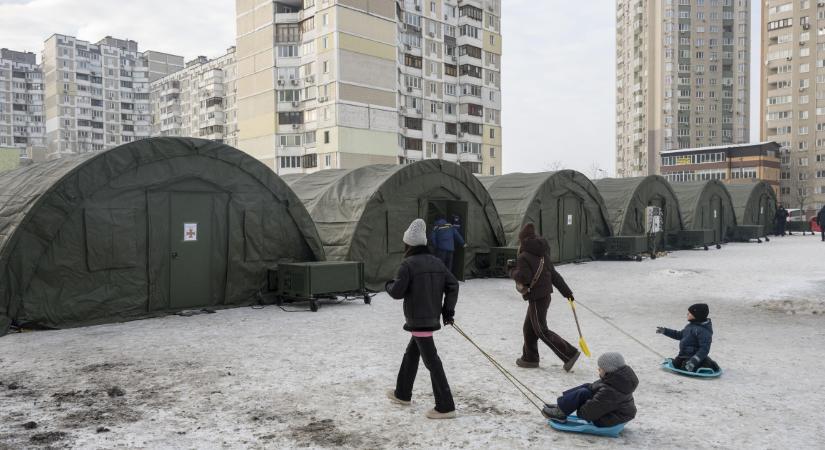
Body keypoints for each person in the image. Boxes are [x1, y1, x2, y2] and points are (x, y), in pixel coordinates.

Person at [386, 218, 459, 419]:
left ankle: (446, 406)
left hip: (418, 319)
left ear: (408, 244)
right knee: (412, 353)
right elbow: (453, 285)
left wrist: (388, 285)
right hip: (429, 318)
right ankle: (402, 393)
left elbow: (397, 292)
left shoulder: (407, 265)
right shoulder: (437, 262)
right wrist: (447, 311)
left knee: (432, 361)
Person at [509, 223, 581, 372]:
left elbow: (525, 278)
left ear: (522, 240)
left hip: (537, 297)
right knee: (529, 328)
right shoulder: (542, 254)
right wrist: (567, 292)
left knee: (540, 330)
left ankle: (569, 354)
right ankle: (530, 359)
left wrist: (511, 270)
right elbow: (554, 275)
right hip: (545, 296)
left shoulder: (523, 257)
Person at [542, 352, 638, 427]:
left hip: (610, 419)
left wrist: (579, 404)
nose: (598, 370)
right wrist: (569, 403)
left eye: (600, 368)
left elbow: (586, 414)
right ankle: (562, 407)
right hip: (612, 411)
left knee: (583, 393)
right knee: (586, 387)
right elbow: (592, 387)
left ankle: (561, 412)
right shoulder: (616, 380)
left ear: (609, 370)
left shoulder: (610, 391)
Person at [656, 303, 719, 372]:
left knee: (685, 368)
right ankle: (687, 363)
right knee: (675, 365)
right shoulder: (690, 326)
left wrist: (694, 360)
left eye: (690, 313)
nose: (687, 314)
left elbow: (704, 349)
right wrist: (665, 331)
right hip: (683, 355)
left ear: (697, 315)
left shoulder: (704, 331)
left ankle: (710, 364)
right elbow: (679, 335)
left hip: (694, 357)